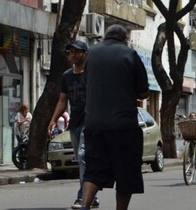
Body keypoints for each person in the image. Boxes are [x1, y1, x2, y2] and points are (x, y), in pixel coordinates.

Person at [81, 25, 149, 210]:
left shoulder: (92, 54)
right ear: (125, 38)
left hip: (94, 125)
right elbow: (143, 91)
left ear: (105, 37)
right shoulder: (130, 54)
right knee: (125, 174)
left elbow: (86, 83)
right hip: (123, 126)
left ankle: (84, 205)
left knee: (94, 170)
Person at [47, 39, 99, 209]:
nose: (73, 55)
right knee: (82, 159)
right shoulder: (67, 76)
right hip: (75, 123)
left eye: (77, 51)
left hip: (90, 122)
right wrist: (54, 119)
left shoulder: (92, 73)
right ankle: (93, 196)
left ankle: (82, 197)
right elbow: (63, 100)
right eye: (71, 52)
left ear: (85, 53)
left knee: (83, 156)